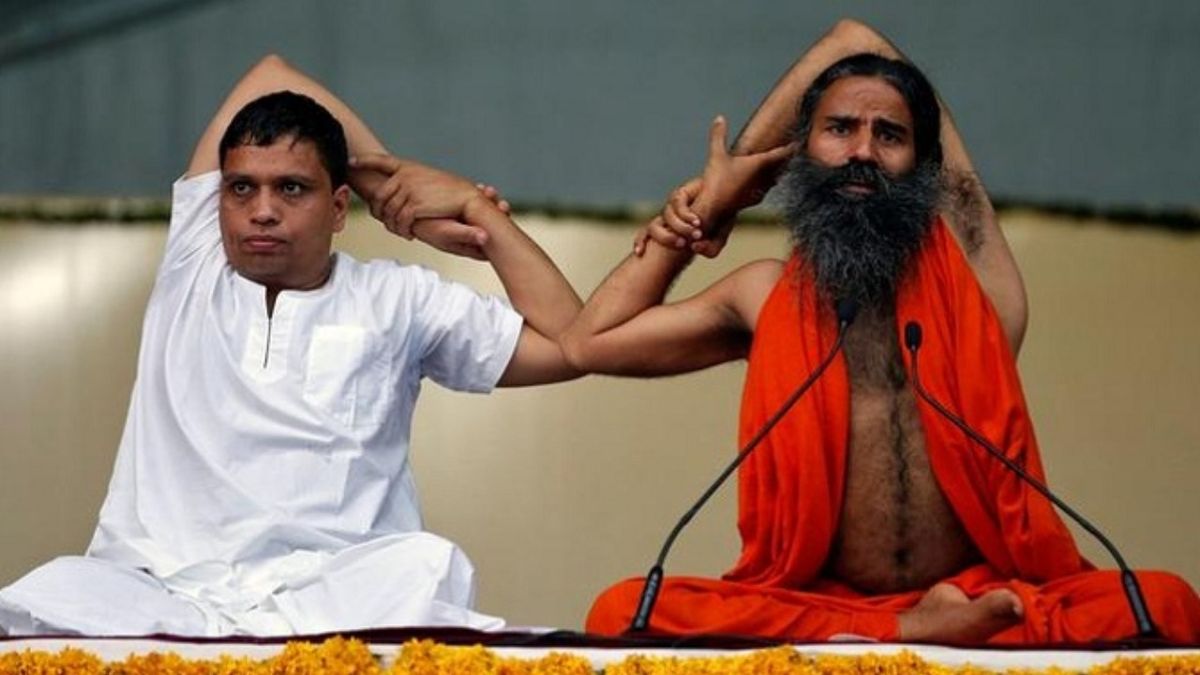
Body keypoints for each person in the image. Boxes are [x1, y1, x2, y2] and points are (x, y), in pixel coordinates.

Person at [565, 20, 1200, 645]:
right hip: (822, 603)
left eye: (889, 135)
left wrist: (731, 190)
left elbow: (854, 39)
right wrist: (713, 203)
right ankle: (910, 631)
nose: (863, 152)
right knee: (621, 609)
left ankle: (918, 628)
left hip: (983, 597)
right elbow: (590, 341)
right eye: (839, 129)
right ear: (799, 152)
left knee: (1169, 602)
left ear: (923, 165)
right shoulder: (763, 297)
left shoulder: (978, 287)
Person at [0, 55, 580, 636]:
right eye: (241, 188)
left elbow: (569, 343)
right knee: (53, 590)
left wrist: (475, 213)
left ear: (337, 208)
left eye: (292, 188)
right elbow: (270, 73)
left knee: (426, 566)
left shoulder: (400, 298)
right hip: (165, 592)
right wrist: (388, 191)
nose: (262, 211)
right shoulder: (193, 263)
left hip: (332, 599)